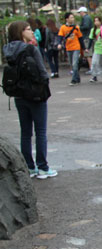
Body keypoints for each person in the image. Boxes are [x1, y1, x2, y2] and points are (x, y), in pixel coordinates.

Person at [3, 21, 56, 180]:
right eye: (27, 29)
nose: (32, 32)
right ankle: (43, 167)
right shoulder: (31, 49)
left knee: (25, 132)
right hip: (35, 94)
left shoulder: (8, 50)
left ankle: (29, 166)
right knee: (40, 131)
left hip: (19, 94)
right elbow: (42, 71)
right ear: (20, 32)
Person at [57, 12, 83, 86]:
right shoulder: (63, 27)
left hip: (76, 47)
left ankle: (74, 80)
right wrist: (59, 44)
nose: (73, 19)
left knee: (75, 63)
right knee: (72, 64)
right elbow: (60, 36)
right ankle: (77, 78)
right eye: (71, 17)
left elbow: (80, 38)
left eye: (73, 17)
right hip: (68, 47)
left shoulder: (76, 28)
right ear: (67, 19)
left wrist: (83, 48)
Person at [89, 16, 102, 83]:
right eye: (95, 21)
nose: (96, 22)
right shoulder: (93, 30)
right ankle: (94, 76)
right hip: (97, 48)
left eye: (97, 21)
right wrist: (87, 48)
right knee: (94, 62)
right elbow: (91, 39)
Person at [79, 7, 93, 74]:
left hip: (86, 37)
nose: (80, 14)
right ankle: (91, 68)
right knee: (88, 54)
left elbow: (86, 26)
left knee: (88, 54)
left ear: (82, 12)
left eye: (80, 12)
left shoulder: (86, 18)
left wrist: (79, 27)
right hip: (87, 36)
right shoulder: (87, 18)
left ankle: (91, 68)